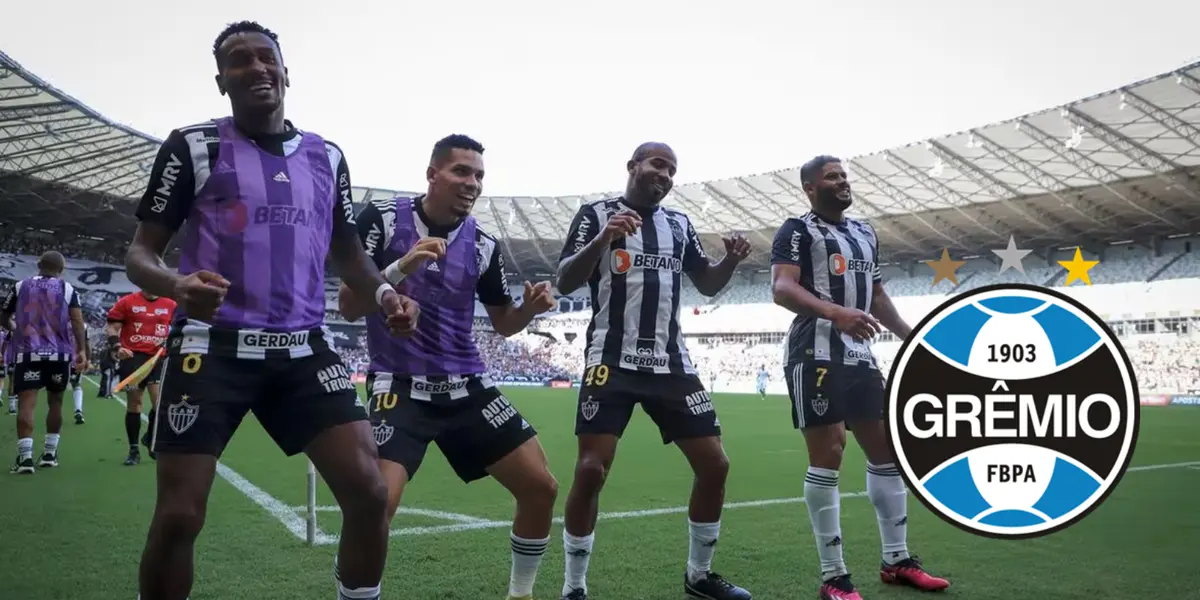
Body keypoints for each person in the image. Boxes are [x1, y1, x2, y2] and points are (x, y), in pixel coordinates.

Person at [125, 21, 418, 600]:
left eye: (267, 58)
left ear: (286, 72)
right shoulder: (193, 145)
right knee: (181, 516)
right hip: (211, 349)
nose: (257, 67)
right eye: (240, 60)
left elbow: (350, 254)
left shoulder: (327, 157)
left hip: (303, 349)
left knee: (368, 492)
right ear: (221, 81)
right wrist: (178, 284)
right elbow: (139, 253)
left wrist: (387, 296)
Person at [339, 134, 560, 600]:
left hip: (467, 386)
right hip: (399, 386)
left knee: (540, 487)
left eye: (479, 175)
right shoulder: (380, 219)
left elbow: (503, 325)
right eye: (462, 171)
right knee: (376, 505)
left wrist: (530, 309)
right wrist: (401, 266)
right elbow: (348, 307)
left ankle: (520, 595)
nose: (472, 183)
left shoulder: (483, 245)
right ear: (432, 174)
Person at [555, 142, 753, 600]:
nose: (665, 174)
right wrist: (603, 238)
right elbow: (564, 279)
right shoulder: (596, 213)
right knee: (590, 471)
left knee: (716, 464)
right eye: (658, 165)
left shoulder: (679, 224)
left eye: (672, 169)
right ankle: (574, 587)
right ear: (634, 166)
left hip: (671, 366)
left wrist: (732, 261)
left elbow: (705, 282)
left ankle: (699, 576)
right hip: (611, 361)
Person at [769, 155, 950, 600]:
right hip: (815, 351)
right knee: (830, 451)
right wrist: (836, 312)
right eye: (832, 177)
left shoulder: (864, 232)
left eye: (844, 175)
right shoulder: (797, 230)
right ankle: (834, 577)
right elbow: (782, 287)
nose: (842, 182)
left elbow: (876, 294)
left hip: (861, 354)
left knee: (888, 451)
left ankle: (897, 560)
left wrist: (911, 338)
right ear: (811, 188)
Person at [0, 251, 89, 474]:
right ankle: (49, 453)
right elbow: (77, 321)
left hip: (28, 352)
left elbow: (3, 315)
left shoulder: (21, 286)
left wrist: (15, 330)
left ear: (38, 265)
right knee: (56, 402)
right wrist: (81, 351)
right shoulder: (67, 289)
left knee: (27, 403)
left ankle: (25, 458)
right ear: (62, 269)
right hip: (59, 354)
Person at [106, 290, 177, 464]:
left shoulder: (171, 304)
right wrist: (117, 346)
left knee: (160, 403)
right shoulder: (127, 302)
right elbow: (112, 327)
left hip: (158, 358)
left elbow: (179, 327)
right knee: (135, 404)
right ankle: (134, 450)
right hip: (133, 358)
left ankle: (150, 436)